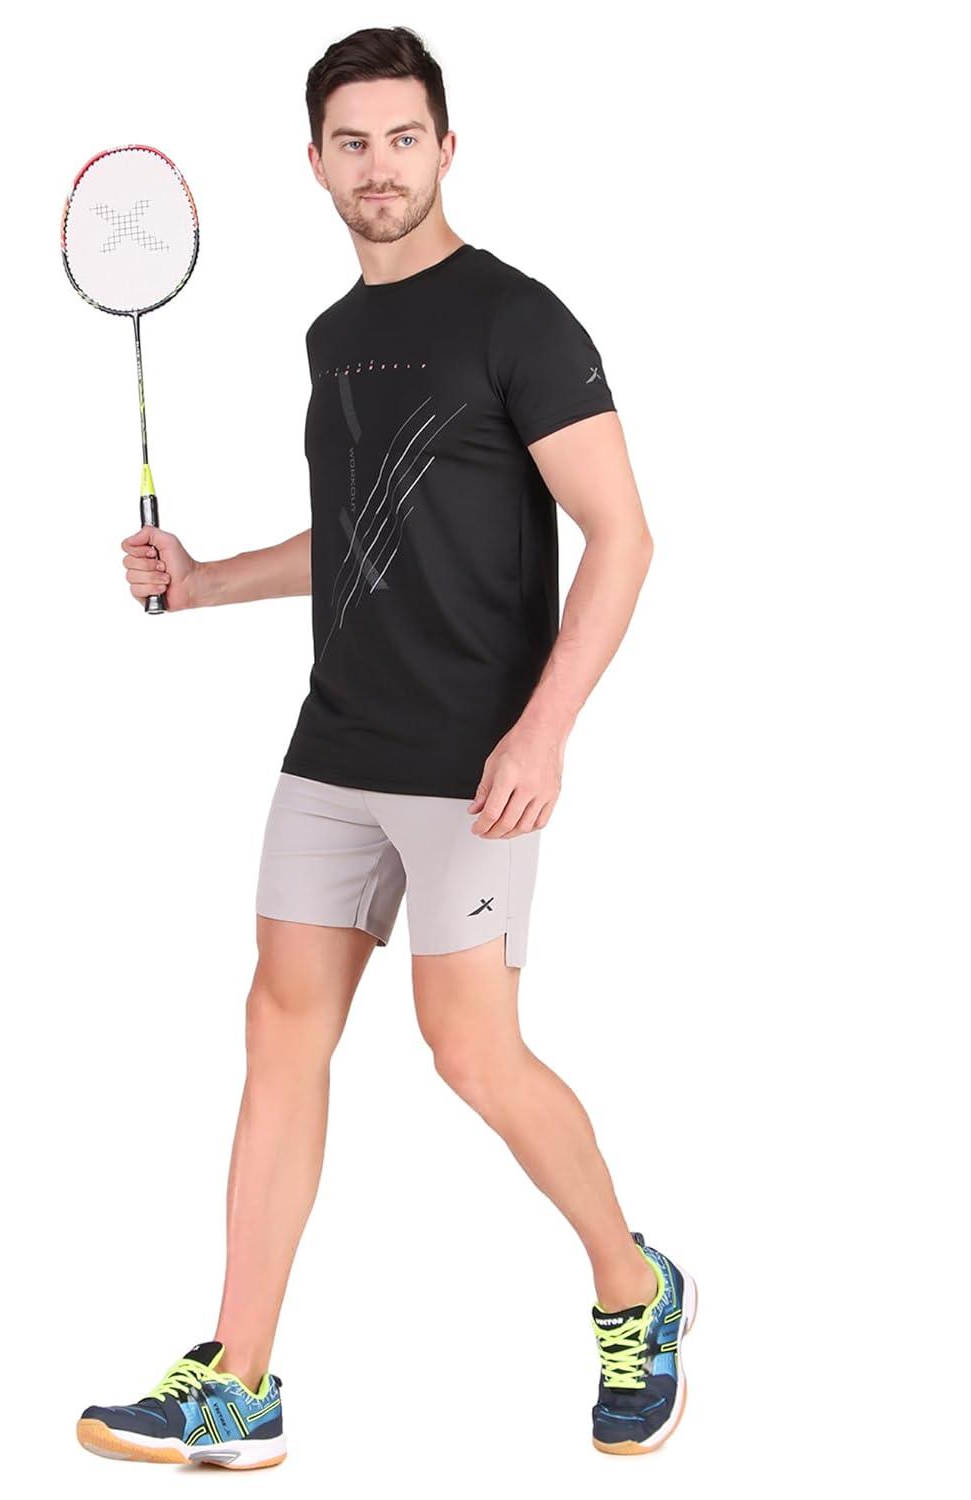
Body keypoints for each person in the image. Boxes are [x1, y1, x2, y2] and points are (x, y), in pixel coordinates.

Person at [76, 25, 696, 1471]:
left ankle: (635, 1286)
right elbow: (359, 536)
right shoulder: (332, 337)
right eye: (351, 142)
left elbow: (623, 535)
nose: (380, 166)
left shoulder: (521, 321)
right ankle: (241, 1379)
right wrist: (205, 579)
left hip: (474, 762)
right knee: (279, 1033)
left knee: (470, 1052)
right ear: (315, 162)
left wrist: (545, 730)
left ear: (446, 148)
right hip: (332, 747)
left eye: (403, 138)